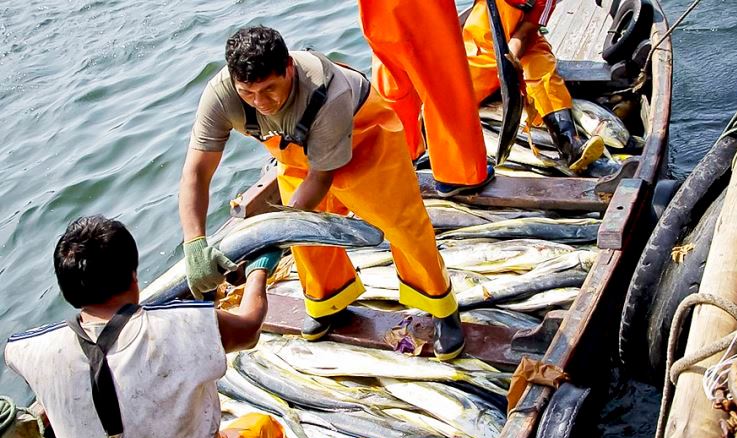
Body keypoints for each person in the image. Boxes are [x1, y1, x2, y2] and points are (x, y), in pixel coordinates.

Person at [179, 26, 466, 360]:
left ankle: (441, 305)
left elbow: (320, 177)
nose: (260, 102)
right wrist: (194, 243)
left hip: (363, 136)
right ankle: (330, 302)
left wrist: (274, 238)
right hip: (294, 149)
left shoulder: (329, 93)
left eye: (270, 89)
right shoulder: (220, 95)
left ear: (288, 67)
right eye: (248, 93)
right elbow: (196, 172)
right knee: (304, 236)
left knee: (402, 223)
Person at [4, 216, 316, 438]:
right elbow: (248, 329)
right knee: (265, 434)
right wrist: (258, 271)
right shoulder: (179, 324)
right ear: (133, 276)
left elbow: (12, 351)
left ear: (68, 292)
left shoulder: (32, 351)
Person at [357, 0, 495, 197]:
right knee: (444, 84)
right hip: (421, 9)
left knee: (394, 80)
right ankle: (458, 174)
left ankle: (402, 158)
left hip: (376, 13)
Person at [462, 0, 604, 173]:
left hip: (523, 42)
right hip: (481, 44)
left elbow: (525, 32)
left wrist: (509, 59)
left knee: (544, 76)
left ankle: (570, 143)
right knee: (457, 98)